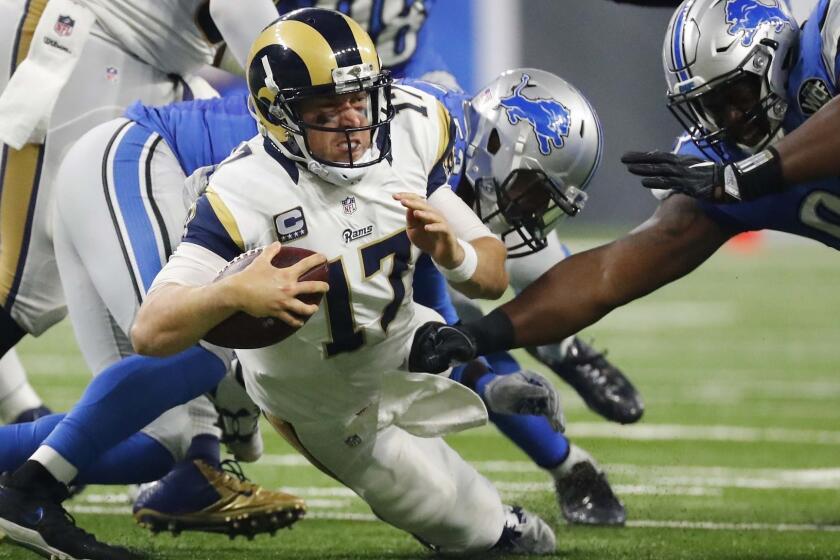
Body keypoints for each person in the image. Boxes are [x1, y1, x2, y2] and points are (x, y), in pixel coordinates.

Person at [1, 8, 556, 558]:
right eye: (326, 109)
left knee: (158, 442)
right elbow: (157, 328)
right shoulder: (249, 185)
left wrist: (473, 347)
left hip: (154, 168)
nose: (351, 124)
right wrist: (230, 295)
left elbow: (419, 275)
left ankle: (186, 476)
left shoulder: (416, 123)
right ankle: (29, 493)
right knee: (203, 347)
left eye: (358, 101)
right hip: (136, 158)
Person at [408, 0, 840, 375]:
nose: (727, 119)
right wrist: (477, 335)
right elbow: (608, 275)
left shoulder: (826, 44)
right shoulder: (720, 162)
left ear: (777, 58)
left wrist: (741, 179)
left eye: (736, 95)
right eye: (708, 106)